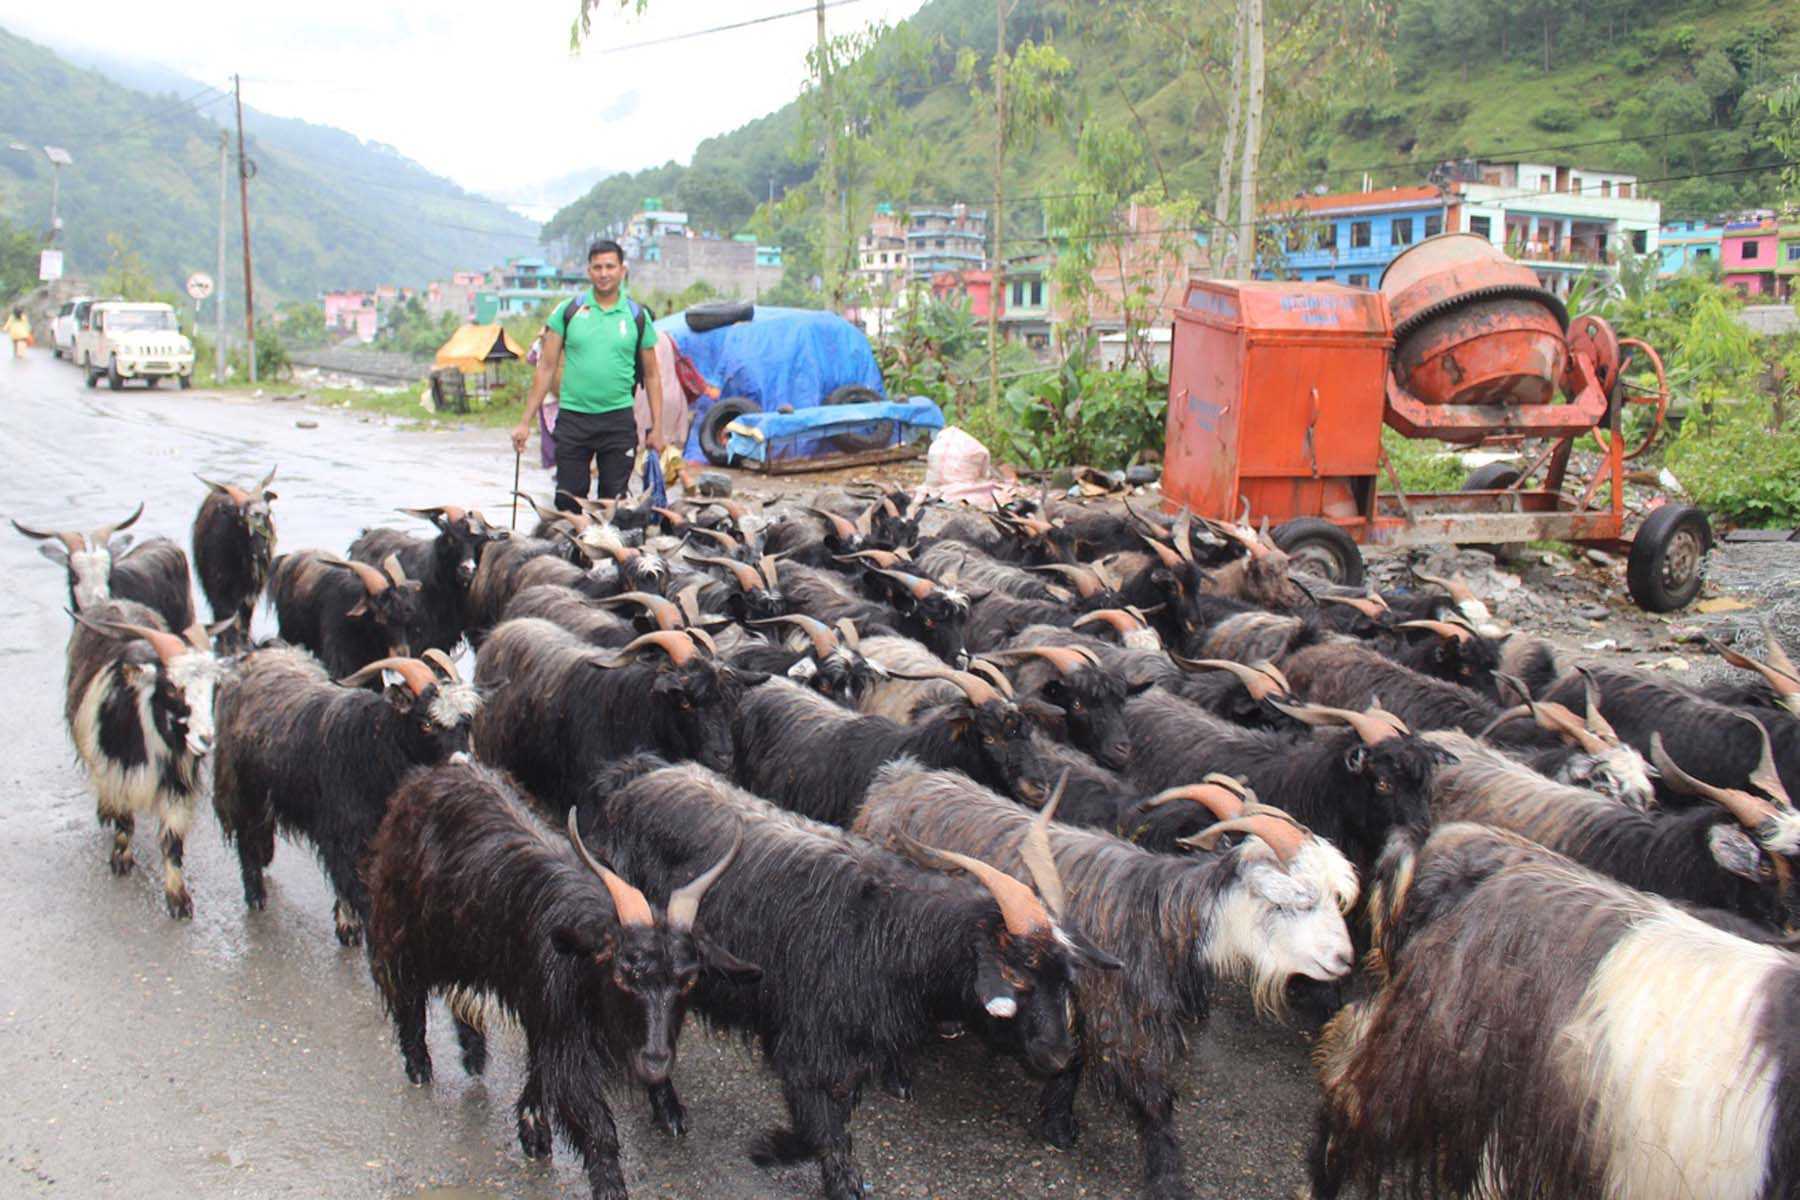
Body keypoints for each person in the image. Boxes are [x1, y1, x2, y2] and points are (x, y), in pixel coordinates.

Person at [512, 240, 665, 509]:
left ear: (622, 270)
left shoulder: (636, 316)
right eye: (597, 267)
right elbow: (545, 368)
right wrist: (524, 422)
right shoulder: (568, 311)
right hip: (573, 419)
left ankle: (605, 550)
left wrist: (658, 428)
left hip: (618, 421)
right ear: (588, 271)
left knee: (614, 505)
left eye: (610, 266)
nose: (604, 273)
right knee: (568, 503)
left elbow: (652, 375)